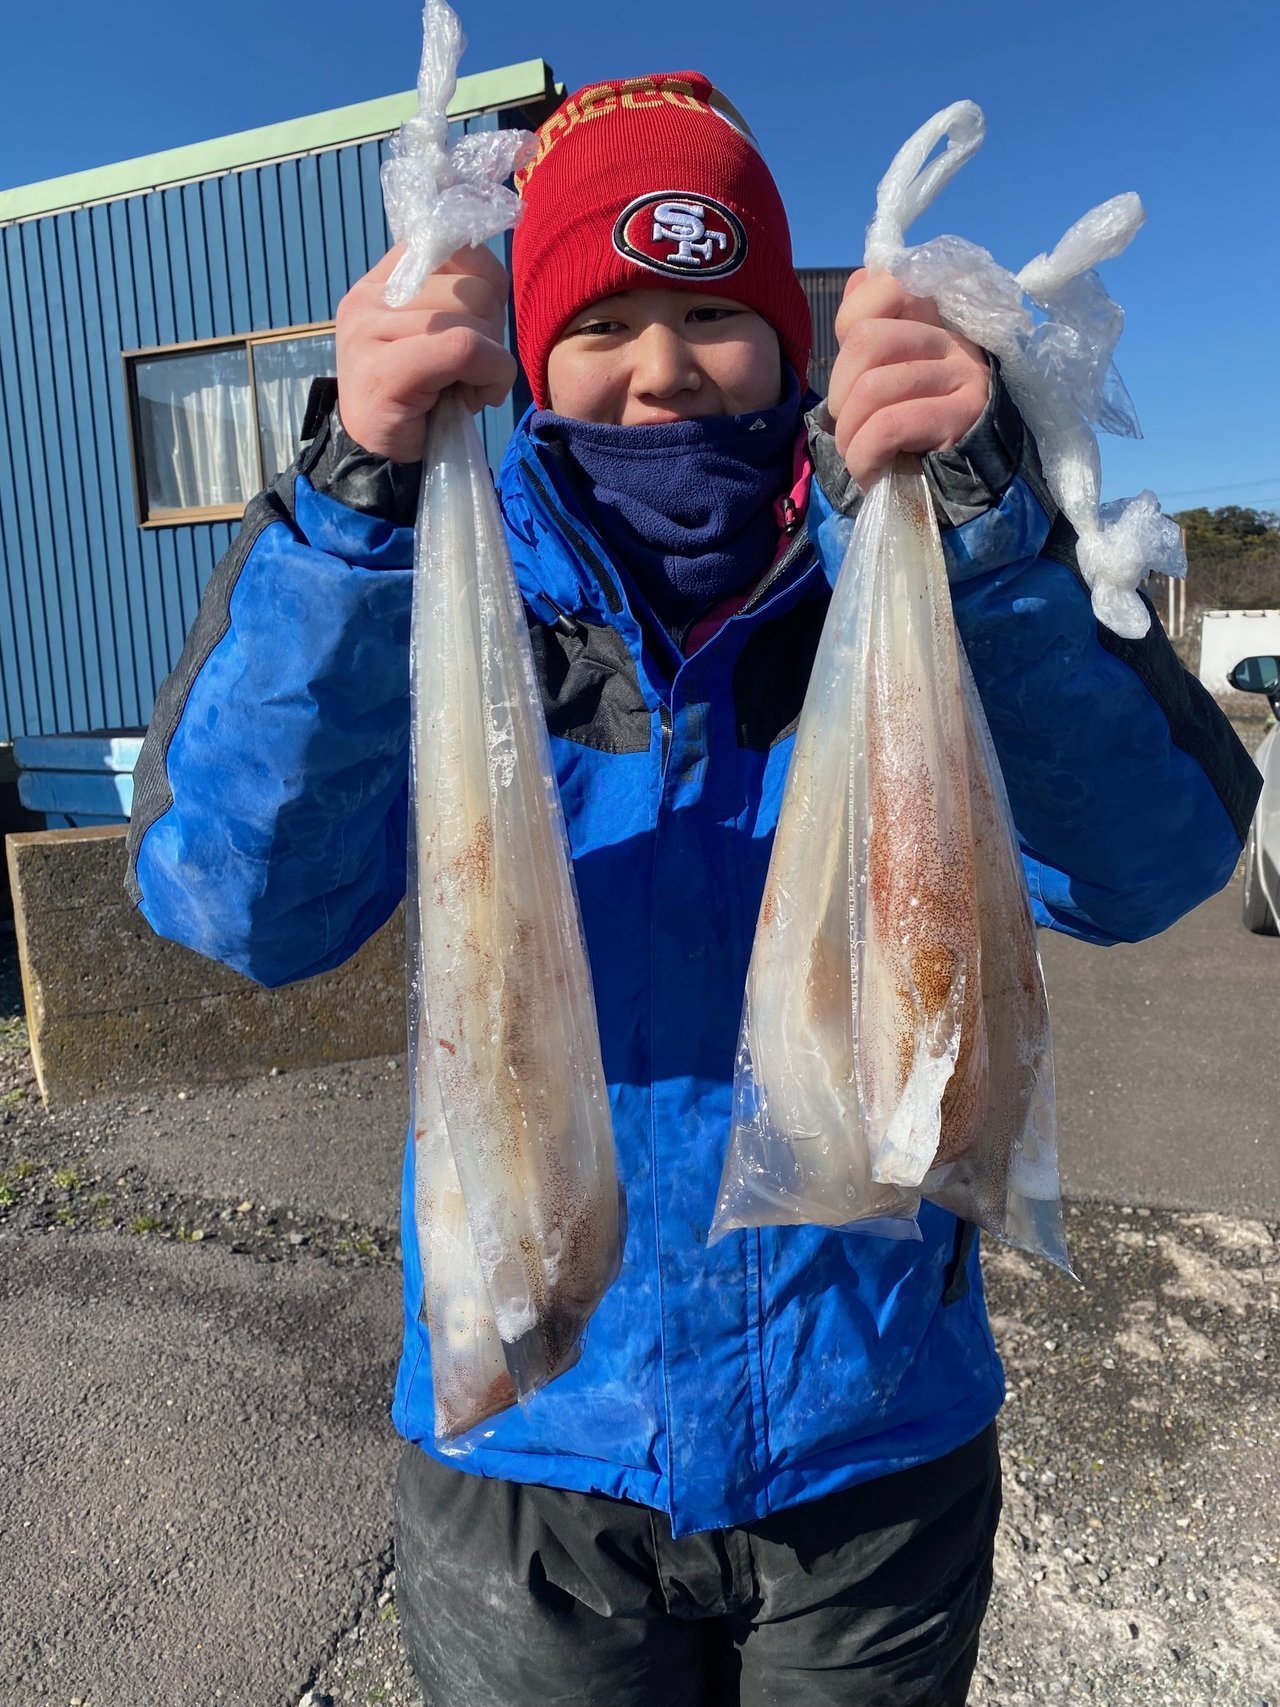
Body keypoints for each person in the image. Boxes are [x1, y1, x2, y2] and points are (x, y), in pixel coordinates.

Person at [125, 70, 1260, 1707]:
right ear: (530, 357)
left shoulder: (910, 557)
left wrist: (981, 520)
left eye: (713, 311)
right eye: (601, 323)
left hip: (872, 1449)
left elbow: (1151, 866)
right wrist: (358, 496)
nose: (661, 367)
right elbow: (244, 906)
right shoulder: (435, 588)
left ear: (789, 343)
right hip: (532, 1441)